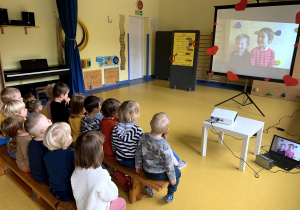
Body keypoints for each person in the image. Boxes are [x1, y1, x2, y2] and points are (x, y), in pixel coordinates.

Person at [71, 131, 126, 210]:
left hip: (82, 206)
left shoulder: (77, 170)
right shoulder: (101, 175)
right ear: (98, 154)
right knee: (122, 202)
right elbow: (112, 195)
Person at [135, 112, 181, 203]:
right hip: (159, 174)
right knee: (178, 173)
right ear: (166, 130)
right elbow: (168, 165)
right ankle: (170, 194)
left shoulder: (143, 136)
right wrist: (172, 178)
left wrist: (137, 165)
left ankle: (148, 186)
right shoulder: (164, 145)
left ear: (150, 123)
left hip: (146, 170)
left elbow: (138, 152)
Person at [43, 122, 74, 201]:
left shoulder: (47, 155)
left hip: (53, 188)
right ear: (67, 140)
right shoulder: (71, 155)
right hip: (68, 190)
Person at [111, 100, 143, 168]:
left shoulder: (116, 127)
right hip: (133, 161)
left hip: (120, 159)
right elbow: (140, 148)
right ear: (136, 115)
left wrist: (115, 153)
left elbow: (113, 143)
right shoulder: (138, 130)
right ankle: (126, 177)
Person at [25, 113, 52, 183]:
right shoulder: (47, 145)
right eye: (47, 120)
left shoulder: (32, 142)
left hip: (35, 173)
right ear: (43, 130)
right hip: (45, 177)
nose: (49, 120)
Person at [0, 88, 23, 157]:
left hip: (8, 134)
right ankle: (14, 154)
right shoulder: (17, 113)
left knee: (9, 142)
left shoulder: (3, 113)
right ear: (12, 102)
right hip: (15, 134)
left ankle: (12, 154)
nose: (22, 99)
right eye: (19, 98)